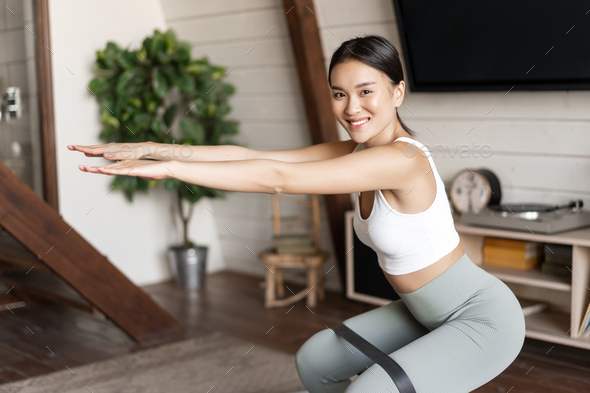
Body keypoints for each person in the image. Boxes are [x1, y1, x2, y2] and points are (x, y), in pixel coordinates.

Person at [68, 34, 526, 393]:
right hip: (420, 311)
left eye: (366, 91)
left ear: (398, 91)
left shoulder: (402, 160)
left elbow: (278, 179)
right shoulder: (353, 150)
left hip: (482, 319)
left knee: (371, 392)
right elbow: (255, 155)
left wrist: (169, 170)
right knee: (315, 362)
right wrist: (155, 148)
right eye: (339, 94)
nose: (352, 108)